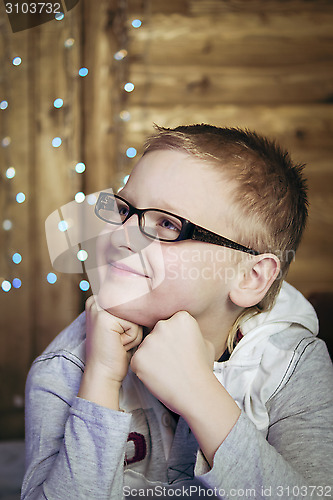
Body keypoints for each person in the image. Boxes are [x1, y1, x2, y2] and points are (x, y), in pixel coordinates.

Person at [22, 125, 333, 500]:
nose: (121, 236)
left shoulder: (292, 366)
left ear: (251, 277)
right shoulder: (65, 367)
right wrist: (101, 379)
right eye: (123, 210)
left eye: (168, 224)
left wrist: (198, 393)